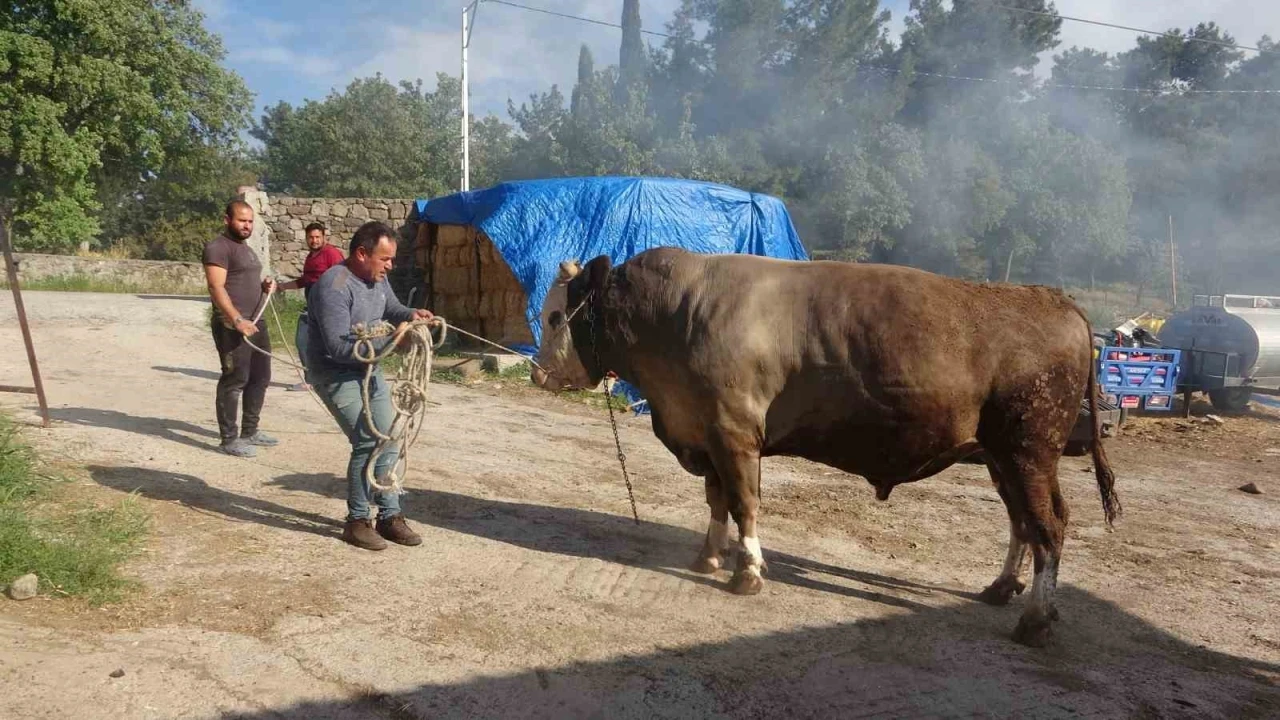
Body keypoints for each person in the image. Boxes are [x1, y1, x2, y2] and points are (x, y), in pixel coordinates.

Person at [305, 220, 433, 550]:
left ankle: (389, 516)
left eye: (392, 260)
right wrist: (393, 341)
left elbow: (391, 308)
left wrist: (412, 315)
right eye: (385, 259)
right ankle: (357, 521)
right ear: (362, 254)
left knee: (390, 435)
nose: (390, 266)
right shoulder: (334, 286)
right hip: (336, 372)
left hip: (368, 368)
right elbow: (339, 348)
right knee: (368, 439)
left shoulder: (377, 278)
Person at [202, 200, 278, 458]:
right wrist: (236, 319)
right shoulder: (217, 247)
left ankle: (250, 431)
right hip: (233, 325)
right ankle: (229, 439)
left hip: (256, 322)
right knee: (235, 380)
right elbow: (216, 287)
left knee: (261, 377)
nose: (247, 225)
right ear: (227, 220)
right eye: (242, 220)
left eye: (250, 221)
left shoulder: (246, 248)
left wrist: (264, 285)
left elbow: (245, 279)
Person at [276, 222, 345, 391]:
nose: (314, 240)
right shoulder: (310, 257)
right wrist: (282, 287)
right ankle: (312, 380)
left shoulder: (331, 253)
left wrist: (331, 300)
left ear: (324, 237)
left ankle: (331, 380)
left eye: (317, 237)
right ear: (306, 238)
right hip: (311, 307)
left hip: (326, 308)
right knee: (304, 342)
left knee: (320, 344)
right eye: (311, 237)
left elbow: (343, 275)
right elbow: (305, 281)